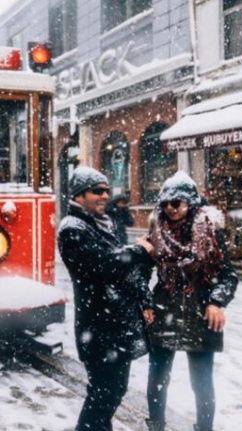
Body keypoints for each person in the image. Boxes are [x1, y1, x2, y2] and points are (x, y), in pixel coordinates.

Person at [57, 166, 154, 431]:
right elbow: (104, 266)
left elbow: (124, 271)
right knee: (104, 395)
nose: (104, 195)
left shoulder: (99, 224)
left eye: (106, 190)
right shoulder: (72, 228)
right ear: (78, 196)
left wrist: (144, 298)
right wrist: (138, 251)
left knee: (110, 393)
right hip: (99, 329)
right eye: (97, 191)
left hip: (112, 327)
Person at [145, 171, 238, 431]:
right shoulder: (156, 230)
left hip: (200, 315)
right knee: (158, 378)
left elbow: (228, 276)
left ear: (191, 202)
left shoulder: (210, 232)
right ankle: (155, 427)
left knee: (202, 382)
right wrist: (145, 303)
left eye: (176, 203)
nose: (170, 209)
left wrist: (216, 302)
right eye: (165, 204)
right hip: (164, 312)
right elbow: (141, 274)